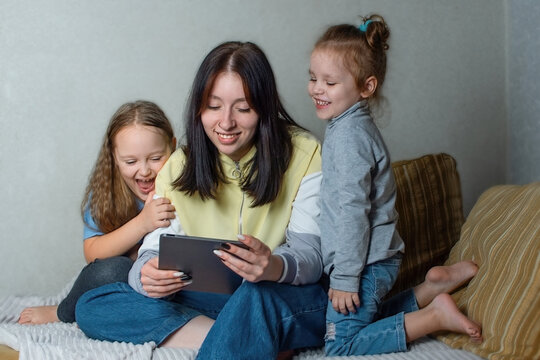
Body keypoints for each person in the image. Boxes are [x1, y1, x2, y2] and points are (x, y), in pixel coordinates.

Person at [75, 41, 327, 360]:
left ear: (264, 107)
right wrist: (146, 275)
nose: (225, 123)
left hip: (278, 295)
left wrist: (272, 265)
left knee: (257, 296)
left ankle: (249, 329)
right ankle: (245, 336)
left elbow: (312, 256)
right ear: (198, 107)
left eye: (243, 107)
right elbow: (154, 247)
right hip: (213, 298)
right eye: (213, 106)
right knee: (94, 304)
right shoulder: (179, 164)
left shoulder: (305, 153)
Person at [308, 15, 483, 356]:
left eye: (329, 83)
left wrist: (344, 278)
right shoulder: (351, 126)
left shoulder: (348, 138)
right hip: (375, 259)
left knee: (339, 346)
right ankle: (430, 290)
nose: (316, 89)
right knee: (365, 321)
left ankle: (433, 317)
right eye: (313, 78)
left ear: (366, 86)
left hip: (364, 264)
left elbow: (353, 211)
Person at [18, 100, 176, 325]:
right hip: (124, 277)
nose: (145, 170)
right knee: (109, 271)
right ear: (114, 157)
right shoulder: (106, 192)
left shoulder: (184, 184)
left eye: (155, 158)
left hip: (169, 281)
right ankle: (63, 312)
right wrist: (144, 223)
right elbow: (93, 254)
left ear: (172, 146)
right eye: (131, 161)